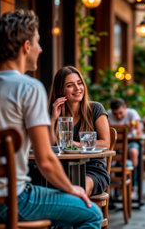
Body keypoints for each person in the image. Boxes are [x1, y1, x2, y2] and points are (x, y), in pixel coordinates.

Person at [0, 10, 102, 229]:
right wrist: (73, 189)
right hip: (12, 201)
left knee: (13, 222)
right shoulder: (29, 88)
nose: (40, 49)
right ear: (26, 46)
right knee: (92, 214)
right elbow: (46, 161)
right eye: (38, 42)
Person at [48, 65, 111, 196]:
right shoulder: (53, 112)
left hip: (92, 169)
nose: (77, 88)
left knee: (79, 189)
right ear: (61, 90)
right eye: (70, 85)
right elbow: (49, 145)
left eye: (80, 83)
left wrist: (76, 144)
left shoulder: (95, 109)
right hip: (61, 169)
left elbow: (106, 143)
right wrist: (53, 119)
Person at [108, 98, 141, 169]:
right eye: (115, 114)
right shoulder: (108, 114)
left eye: (120, 113)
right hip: (114, 143)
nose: (118, 116)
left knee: (133, 152)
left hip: (130, 142)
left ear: (125, 107)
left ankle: (133, 177)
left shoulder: (132, 113)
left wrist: (131, 129)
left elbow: (138, 131)